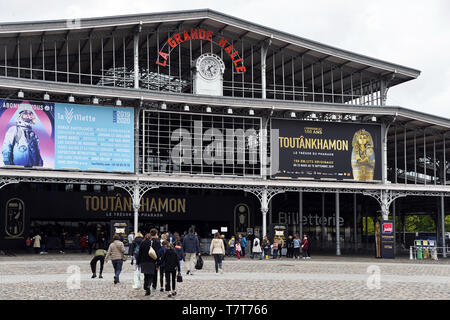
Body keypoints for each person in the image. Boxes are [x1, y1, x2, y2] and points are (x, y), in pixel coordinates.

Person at [137, 230, 160, 296]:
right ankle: (148, 286)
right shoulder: (152, 243)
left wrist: (138, 262)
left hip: (143, 261)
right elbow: (156, 253)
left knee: (145, 275)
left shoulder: (142, 243)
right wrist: (157, 261)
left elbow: (140, 253)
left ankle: (146, 286)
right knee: (150, 275)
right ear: (150, 237)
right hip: (151, 261)